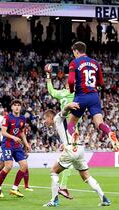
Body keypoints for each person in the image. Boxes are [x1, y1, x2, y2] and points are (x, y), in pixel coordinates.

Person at [42, 103, 111, 207]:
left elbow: (64, 112)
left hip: (71, 149)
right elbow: (68, 134)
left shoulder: (57, 118)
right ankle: (104, 199)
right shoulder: (64, 124)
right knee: (86, 176)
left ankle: (54, 200)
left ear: (50, 117)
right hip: (79, 148)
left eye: (45, 118)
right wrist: (64, 144)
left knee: (53, 171)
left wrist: (68, 106)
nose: (44, 121)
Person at [66, 41, 119, 151]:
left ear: (76, 51)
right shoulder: (95, 63)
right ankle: (109, 132)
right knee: (99, 123)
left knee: (70, 123)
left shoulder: (74, 62)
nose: (73, 54)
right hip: (94, 96)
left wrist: (72, 91)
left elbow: (71, 81)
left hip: (81, 96)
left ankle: (74, 138)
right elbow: (101, 83)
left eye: (73, 52)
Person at [45, 64, 74, 199]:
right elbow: (51, 90)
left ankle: (61, 188)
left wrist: (48, 76)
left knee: (72, 159)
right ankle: (62, 187)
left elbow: (51, 90)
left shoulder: (62, 92)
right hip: (70, 127)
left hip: (69, 128)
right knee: (71, 159)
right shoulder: (75, 93)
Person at [0, 99, 31, 198]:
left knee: (24, 166)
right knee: (8, 166)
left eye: (18, 105)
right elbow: (3, 132)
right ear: (12, 107)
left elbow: (22, 132)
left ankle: (14, 188)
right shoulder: (7, 118)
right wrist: (13, 137)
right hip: (7, 144)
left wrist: (26, 143)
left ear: (21, 107)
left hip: (17, 145)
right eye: (15, 105)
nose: (17, 107)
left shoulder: (22, 119)